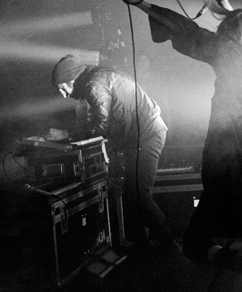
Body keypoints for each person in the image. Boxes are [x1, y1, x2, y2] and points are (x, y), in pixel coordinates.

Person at [117, 0, 242, 290]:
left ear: (233, 38)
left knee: (193, 243)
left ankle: (230, 262)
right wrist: (225, 9)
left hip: (239, 180)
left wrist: (139, 2)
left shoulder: (234, 58)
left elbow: (189, 32)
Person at [51, 54, 179, 254]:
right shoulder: (99, 78)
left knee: (139, 195)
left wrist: (68, 136)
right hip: (140, 137)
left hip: (147, 136)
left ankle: (170, 244)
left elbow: (101, 124)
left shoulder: (95, 86)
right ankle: (142, 245)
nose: (63, 94)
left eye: (62, 88)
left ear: (71, 80)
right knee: (131, 195)